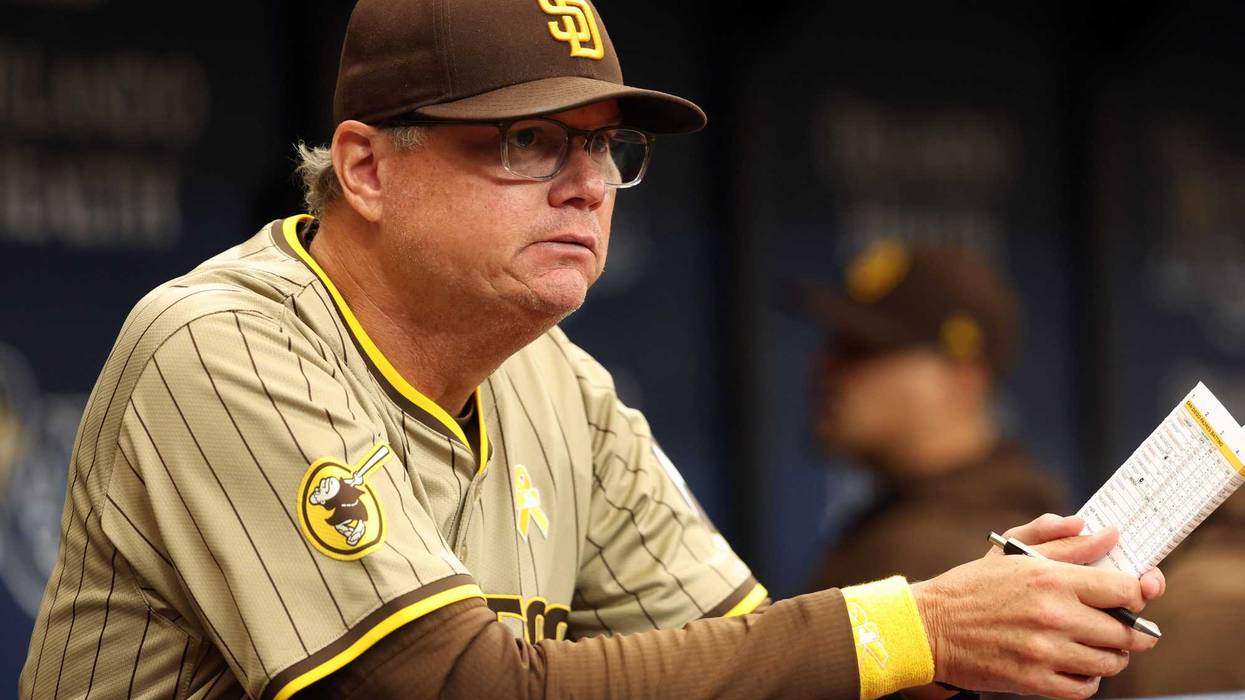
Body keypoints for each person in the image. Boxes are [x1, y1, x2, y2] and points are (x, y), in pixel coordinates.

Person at [21, 1, 1163, 698]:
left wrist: (1007, 623)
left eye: (605, 146)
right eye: (526, 140)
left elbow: (759, 666)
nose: (586, 185)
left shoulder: (560, 384)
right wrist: (915, 624)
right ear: (365, 168)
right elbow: (445, 690)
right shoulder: (222, 343)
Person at [803, 240, 1068, 589]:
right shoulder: (903, 520)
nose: (828, 368)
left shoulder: (951, 553)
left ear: (962, 377)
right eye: (835, 345)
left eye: (864, 349)